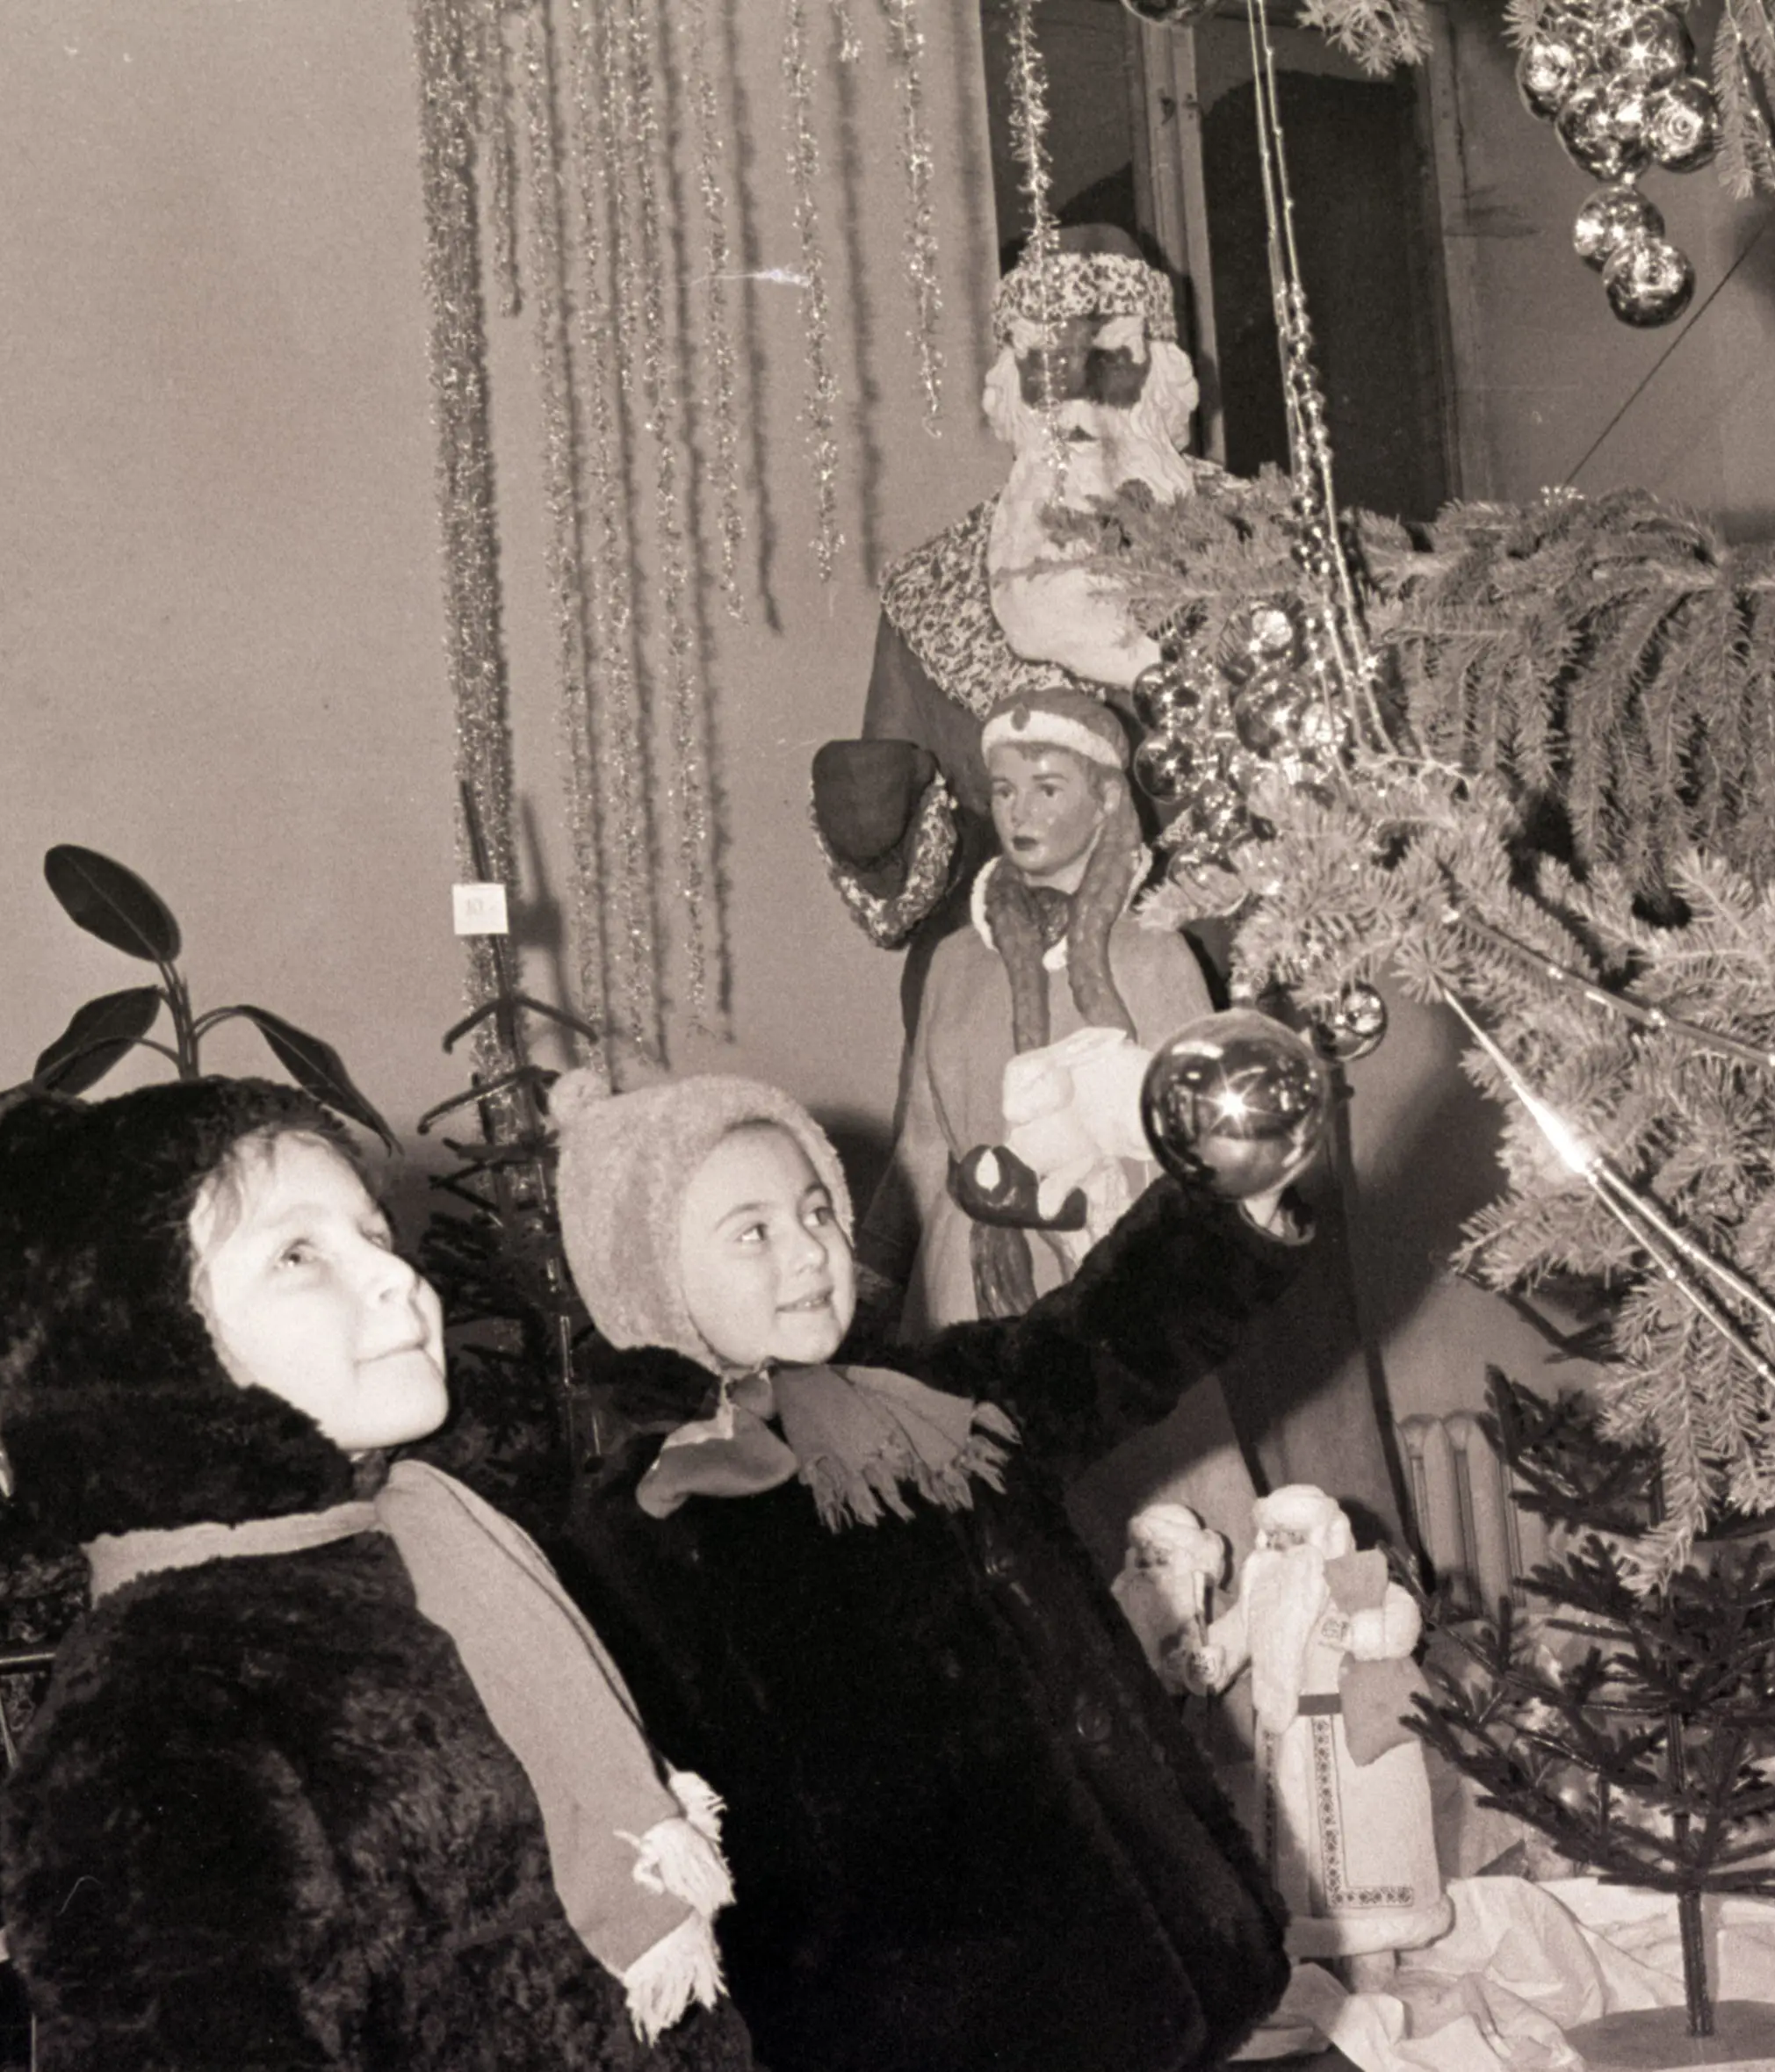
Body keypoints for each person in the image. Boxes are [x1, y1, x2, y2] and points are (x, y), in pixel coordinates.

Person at [0, 1079, 751, 2071]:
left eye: (377, 1235)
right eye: (297, 1254)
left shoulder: (431, 1553)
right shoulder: (156, 1698)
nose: (395, 1278)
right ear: (150, 1344)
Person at [545, 1065, 1311, 2072]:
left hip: (1156, 1943)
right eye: (753, 1232)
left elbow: (1103, 1338)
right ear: (649, 1279)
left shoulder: (935, 1396)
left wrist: (1229, 1200)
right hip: (954, 2025)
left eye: (815, 1208)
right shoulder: (650, 1525)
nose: (809, 1249)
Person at [812, 224, 1200, 966]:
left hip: (1207, 984)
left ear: (1161, 377)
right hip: (994, 990)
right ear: (1010, 388)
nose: (1078, 397)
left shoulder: (1265, 556)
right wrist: (869, 837)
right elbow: (899, 901)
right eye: (1048, 367)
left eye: (1110, 359)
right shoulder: (929, 592)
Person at [882, 686, 1215, 1332]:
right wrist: (874, 1286)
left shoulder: (1155, 956)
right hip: (960, 1282)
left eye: (1048, 789)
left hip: (1111, 1281)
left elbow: (1198, 1157)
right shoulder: (953, 962)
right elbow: (921, 1147)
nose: (1018, 813)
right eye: (1004, 790)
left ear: (1107, 801)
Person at [1184, 1484, 1451, 1986]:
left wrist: (1376, 1632)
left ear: (1324, 1537)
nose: (1282, 1546)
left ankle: (1373, 1965)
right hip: (1284, 1744)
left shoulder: (1359, 1580)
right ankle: (1306, 1967)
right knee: (1294, 1857)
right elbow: (1225, 1645)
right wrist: (1205, 1661)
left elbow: (1400, 1614)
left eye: (1294, 1535)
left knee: (1366, 1854)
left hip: (1355, 1748)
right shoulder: (1260, 1593)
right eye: (1274, 1535)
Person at [1112, 1500, 1233, 1694]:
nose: (1149, 1567)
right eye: (1143, 1558)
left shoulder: (1208, 1603)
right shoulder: (1130, 1591)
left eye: (1162, 1556)